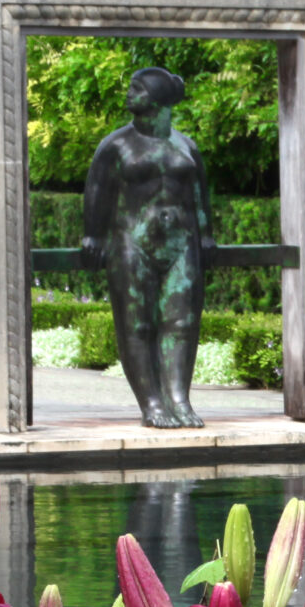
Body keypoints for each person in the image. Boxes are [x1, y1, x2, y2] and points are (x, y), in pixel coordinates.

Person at [81, 65, 212, 428]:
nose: (129, 94)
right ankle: (152, 403)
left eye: (136, 88)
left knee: (182, 322)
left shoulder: (186, 146)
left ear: (157, 99)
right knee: (136, 324)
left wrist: (205, 233)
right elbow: (97, 191)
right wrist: (92, 234)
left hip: (181, 243)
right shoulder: (116, 145)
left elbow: (199, 195)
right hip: (131, 240)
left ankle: (179, 399)